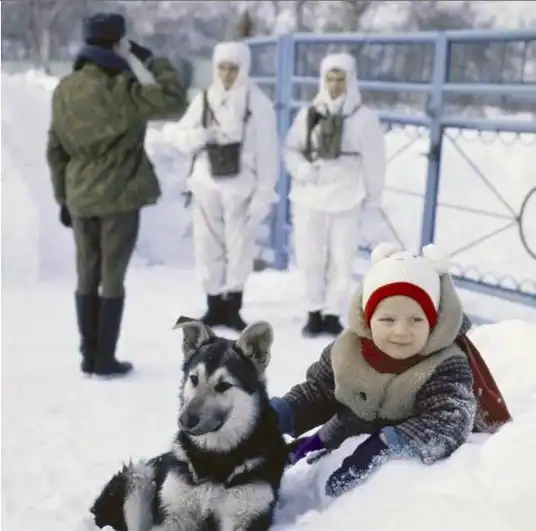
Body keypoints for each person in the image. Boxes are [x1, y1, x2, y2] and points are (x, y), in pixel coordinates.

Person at [270, 242, 511, 498]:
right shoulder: (348, 350)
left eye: (416, 320)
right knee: (286, 462)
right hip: (340, 433)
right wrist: (281, 413)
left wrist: (385, 444)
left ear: (433, 323)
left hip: (399, 464)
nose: (401, 331)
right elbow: (319, 392)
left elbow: (449, 420)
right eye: (387, 319)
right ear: (368, 318)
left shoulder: (445, 364)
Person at [46, 12, 187, 378]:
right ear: (117, 44)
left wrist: (62, 198)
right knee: (112, 277)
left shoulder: (64, 90)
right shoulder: (124, 88)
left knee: (85, 273)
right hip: (120, 195)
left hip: (79, 195)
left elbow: (55, 149)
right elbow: (174, 101)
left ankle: (88, 354)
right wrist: (152, 61)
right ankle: (106, 358)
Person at [172, 41, 279, 331]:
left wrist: (264, 193)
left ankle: (233, 305)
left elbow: (269, 153)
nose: (227, 74)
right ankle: (213, 303)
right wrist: (199, 136)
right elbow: (179, 135)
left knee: (239, 247)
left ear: (243, 68)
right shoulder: (205, 98)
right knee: (206, 245)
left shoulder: (259, 104)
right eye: (222, 67)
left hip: (242, 187)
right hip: (207, 183)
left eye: (233, 68)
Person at [284, 52, 387, 338]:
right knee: (310, 256)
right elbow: (291, 149)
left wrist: (373, 198)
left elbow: (375, 162)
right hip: (310, 195)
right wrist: (303, 170)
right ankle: (313, 309)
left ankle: (332, 312)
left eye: (340, 79)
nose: (335, 85)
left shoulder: (364, 118)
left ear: (350, 80)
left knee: (342, 258)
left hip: (347, 196)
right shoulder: (308, 115)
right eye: (330, 78)